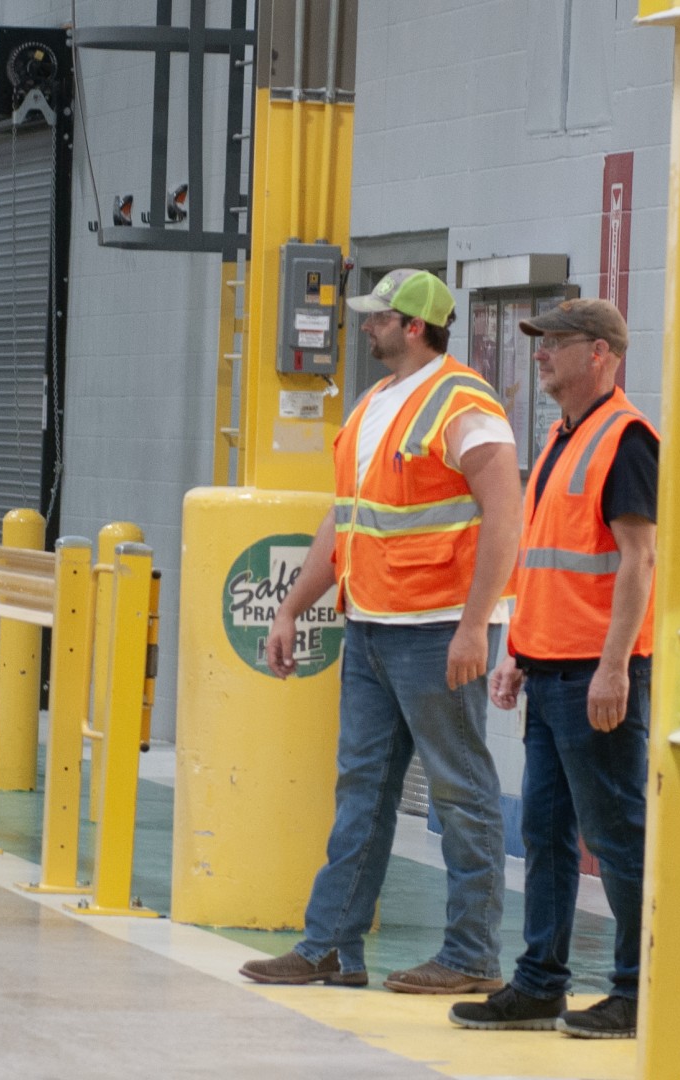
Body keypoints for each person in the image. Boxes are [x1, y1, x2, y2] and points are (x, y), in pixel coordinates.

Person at [238, 268, 521, 994]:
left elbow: (505, 516)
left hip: (435, 630)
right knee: (361, 790)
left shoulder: (463, 402)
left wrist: (475, 625)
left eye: (378, 317)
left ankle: (472, 956)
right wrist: (293, 607)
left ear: (414, 327)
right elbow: (344, 518)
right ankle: (331, 946)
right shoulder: (372, 404)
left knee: (460, 791)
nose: (365, 326)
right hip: (368, 626)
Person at [449, 298, 656, 1040]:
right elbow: (543, 565)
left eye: (555, 342)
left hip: (596, 677)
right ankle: (540, 985)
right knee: (544, 834)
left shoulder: (626, 440)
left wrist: (614, 668)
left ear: (599, 353)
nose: (539, 353)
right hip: (549, 673)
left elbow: (639, 561)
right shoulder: (563, 439)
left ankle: (641, 991)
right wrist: (517, 652)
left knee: (617, 836)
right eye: (539, 342)